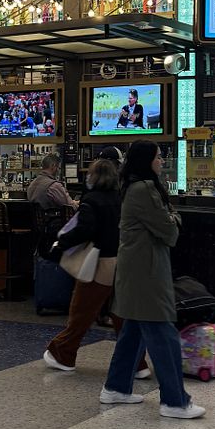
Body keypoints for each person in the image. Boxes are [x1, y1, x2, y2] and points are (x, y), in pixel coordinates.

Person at [100, 141, 205, 419]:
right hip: (146, 272)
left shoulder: (132, 187)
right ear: (146, 160)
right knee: (163, 333)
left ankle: (116, 387)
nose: (162, 161)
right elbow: (169, 231)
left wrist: (169, 216)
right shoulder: (145, 189)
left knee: (133, 333)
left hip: (135, 270)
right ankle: (175, 401)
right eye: (158, 157)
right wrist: (174, 217)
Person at [44, 157, 142, 374]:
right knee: (121, 314)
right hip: (122, 260)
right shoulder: (121, 198)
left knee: (82, 310)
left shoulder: (91, 200)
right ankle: (137, 363)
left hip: (99, 262)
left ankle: (63, 353)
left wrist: (60, 244)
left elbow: (84, 230)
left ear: (93, 177)